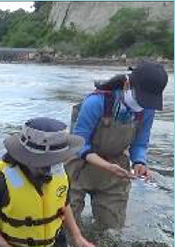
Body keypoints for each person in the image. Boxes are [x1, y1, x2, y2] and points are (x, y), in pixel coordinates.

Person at [0, 117, 101, 247]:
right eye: (48, 163)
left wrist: (77, 236)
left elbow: (64, 204)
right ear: (28, 157)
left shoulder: (59, 173)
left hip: (54, 244)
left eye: (57, 160)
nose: (54, 167)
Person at [65, 61, 168, 229]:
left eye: (147, 101)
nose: (142, 105)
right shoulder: (96, 102)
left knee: (111, 230)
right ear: (127, 84)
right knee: (65, 226)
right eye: (140, 98)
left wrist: (139, 163)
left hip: (115, 170)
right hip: (79, 165)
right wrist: (106, 165)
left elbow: (140, 143)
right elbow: (79, 143)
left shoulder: (147, 109)